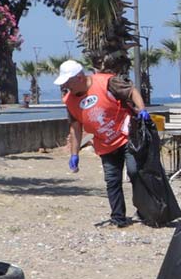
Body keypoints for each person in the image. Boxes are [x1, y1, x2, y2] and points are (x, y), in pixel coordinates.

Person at [56, 58, 151, 228]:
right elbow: (75, 128)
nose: (66, 87)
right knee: (112, 180)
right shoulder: (69, 101)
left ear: (79, 77)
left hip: (126, 135)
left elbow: (131, 91)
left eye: (68, 82)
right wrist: (74, 154)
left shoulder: (106, 82)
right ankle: (118, 218)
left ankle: (144, 211)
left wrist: (142, 109)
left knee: (134, 171)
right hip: (104, 144)